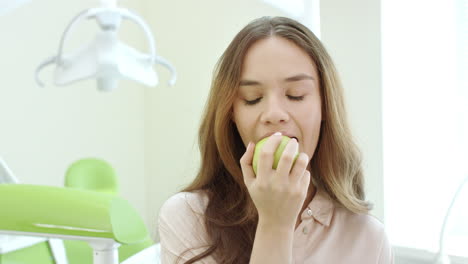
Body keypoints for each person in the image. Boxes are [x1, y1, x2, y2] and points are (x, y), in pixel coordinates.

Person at [158, 16, 393, 264]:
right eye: (252, 98)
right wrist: (275, 225)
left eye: (296, 95)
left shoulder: (367, 239)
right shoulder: (187, 217)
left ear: (325, 107)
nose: (274, 114)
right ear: (231, 114)